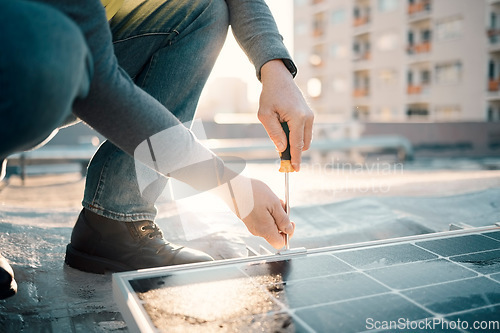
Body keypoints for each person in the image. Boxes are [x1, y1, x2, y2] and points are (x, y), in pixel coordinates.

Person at [0, 0, 314, 299]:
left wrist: (276, 69)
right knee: (47, 45)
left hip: (67, 44)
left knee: (203, 9)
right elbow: (100, 89)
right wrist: (233, 189)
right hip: (25, 49)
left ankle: (115, 223)